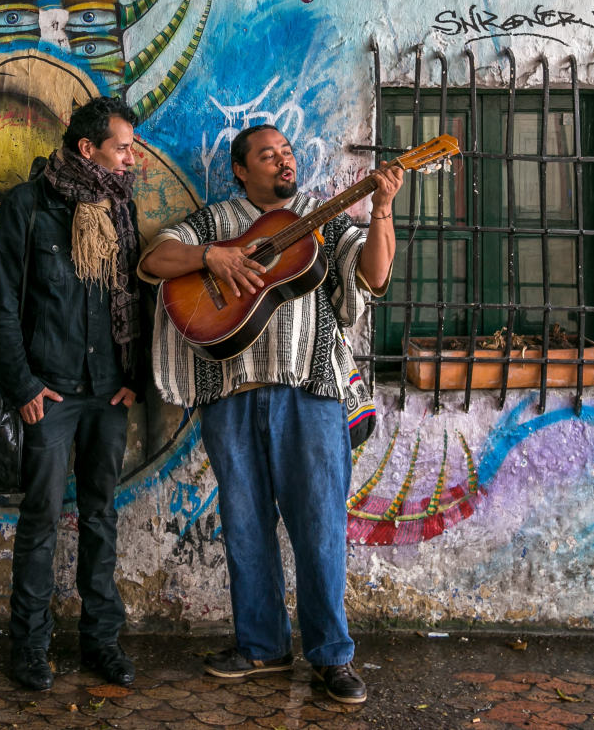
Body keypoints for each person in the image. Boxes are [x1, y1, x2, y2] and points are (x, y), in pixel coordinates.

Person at [137, 124, 403, 705]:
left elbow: (374, 277)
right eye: (268, 154)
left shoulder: (324, 219)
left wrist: (381, 208)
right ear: (240, 169)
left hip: (310, 391)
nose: (283, 160)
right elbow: (155, 259)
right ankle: (261, 645)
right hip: (228, 392)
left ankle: (332, 656)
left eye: (286, 152)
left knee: (319, 525)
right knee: (245, 524)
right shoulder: (215, 221)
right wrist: (212, 257)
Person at [0, 96, 144, 692]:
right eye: (122, 147)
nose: (131, 158)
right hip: (48, 395)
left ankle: (101, 642)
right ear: (88, 149)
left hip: (108, 395)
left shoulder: (122, 209)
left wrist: (131, 378)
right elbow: (2, 308)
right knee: (41, 520)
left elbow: (135, 294)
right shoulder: (27, 207)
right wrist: (23, 385)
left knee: (101, 517)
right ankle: (29, 648)